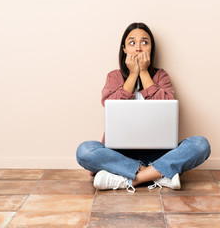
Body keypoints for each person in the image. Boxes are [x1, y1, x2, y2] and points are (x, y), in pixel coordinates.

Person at [76, 22, 210, 193]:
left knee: (200, 144)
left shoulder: (161, 76)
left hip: (159, 153)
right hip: (119, 154)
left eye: (144, 42)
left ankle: (128, 179)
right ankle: (159, 175)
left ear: (151, 49)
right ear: (124, 49)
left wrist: (144, 73)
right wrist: (132, 75)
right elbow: (111, 104)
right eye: (132, 43)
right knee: (84, 151)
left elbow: (166, 105)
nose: (138, 48)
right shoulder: (114, 76)